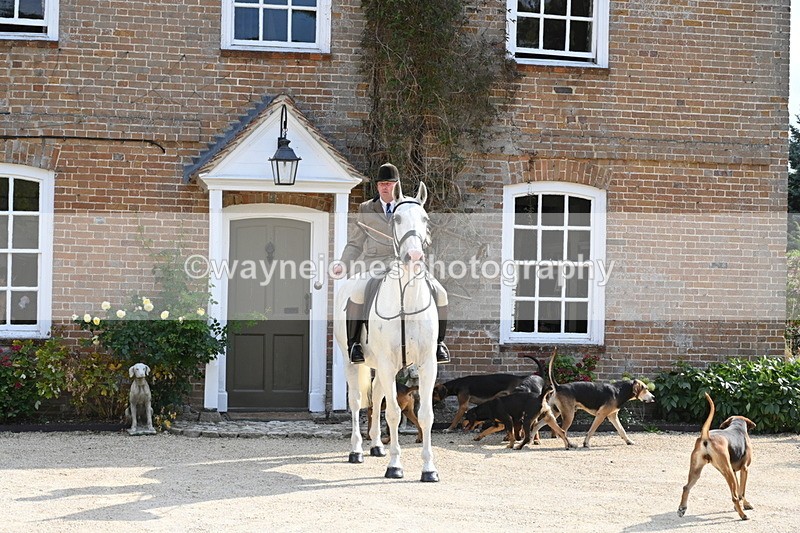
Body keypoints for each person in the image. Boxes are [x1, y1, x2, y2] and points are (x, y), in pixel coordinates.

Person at [333, 162, 450, 364]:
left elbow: (423, 236)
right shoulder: (366, 208)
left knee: (440, 293)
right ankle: (354, 344)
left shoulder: (408, 207)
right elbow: (355, 242)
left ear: (397, 186)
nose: (385, 187)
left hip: (405, 265)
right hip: (374, 266)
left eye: (389, 183)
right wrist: (343, 264)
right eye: (381, 184)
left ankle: (438, 344)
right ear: (377, 187)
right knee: (357, 291)